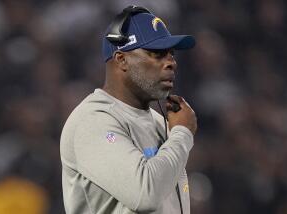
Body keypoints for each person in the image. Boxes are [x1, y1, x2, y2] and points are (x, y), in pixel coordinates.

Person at [60, 5, 197, 214]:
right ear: (122, 59)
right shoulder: (92, 121)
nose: (171, 63)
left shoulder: (162, 121)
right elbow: (146, 195)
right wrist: (182, 134)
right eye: (157, 54)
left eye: (171, 54)